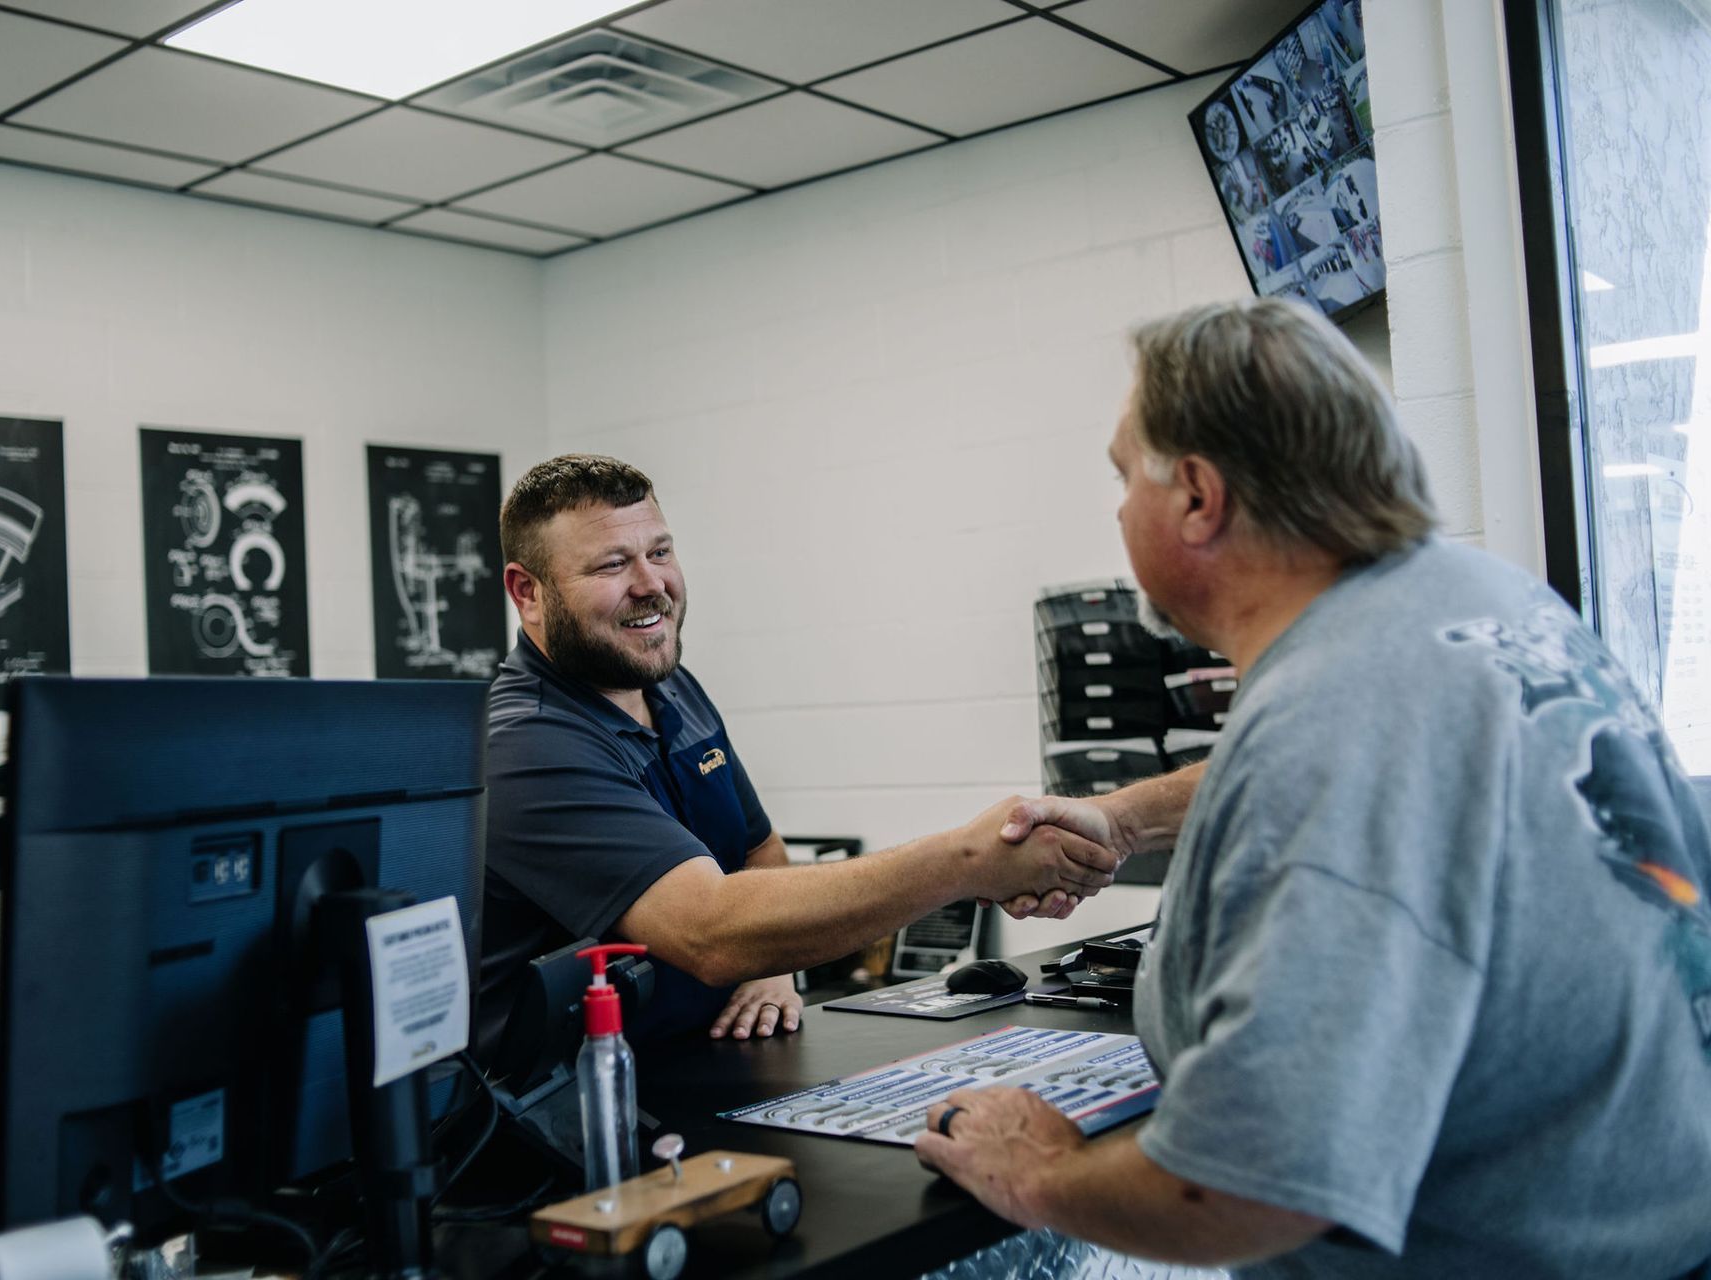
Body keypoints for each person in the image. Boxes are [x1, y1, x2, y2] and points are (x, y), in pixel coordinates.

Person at [915, 298, 1711, 1277]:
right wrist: (1123, 819)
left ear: (1200, 497)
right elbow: (1388, 780)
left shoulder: (1333, 714)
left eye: (1126, 477)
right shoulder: (1481, 603)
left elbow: (1253, 1184)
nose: (1120, 508)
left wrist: (1042, 1172)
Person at [477, 454, 1113, 1058]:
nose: (652, 585)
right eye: (612, 564)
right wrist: (969, 860)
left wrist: (774, 968)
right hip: (577, 1114)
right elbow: (709, 931)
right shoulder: (525, 743)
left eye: (660, 552)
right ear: (527, 592)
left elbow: (759, 855)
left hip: (715, 1060)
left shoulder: (670, 685)